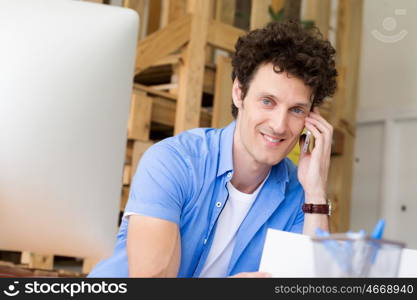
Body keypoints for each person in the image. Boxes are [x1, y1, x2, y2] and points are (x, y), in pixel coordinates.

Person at [88, 20, 337, 278]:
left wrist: (316, 192)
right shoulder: (173, 161)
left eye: (297, 110)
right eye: (267, 101)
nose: (279, 125)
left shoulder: (300, 196)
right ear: (239, 93)